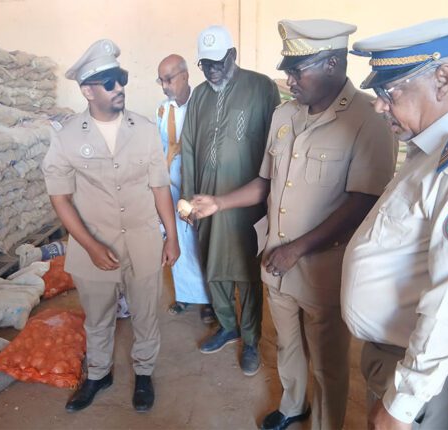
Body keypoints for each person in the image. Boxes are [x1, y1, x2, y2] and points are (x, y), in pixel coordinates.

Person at [191, 19, 397, 430]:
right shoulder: (285, 114)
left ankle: (324, 423)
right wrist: (219, 202)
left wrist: (296, 249)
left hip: (323, 270)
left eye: (298, 71)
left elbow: (363, 202)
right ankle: (292, 405)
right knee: (287, 344)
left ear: (333, 64)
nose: (289, 80)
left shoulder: (366, 119)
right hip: (276, 261)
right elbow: (265, 183)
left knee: (327, 361)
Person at [342, 15, 448, 429]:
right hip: (398, 356)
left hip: (428, 379)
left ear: (442, 79)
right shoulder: (440, 141)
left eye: (390, 91)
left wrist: (402, 405)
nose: (379, 104)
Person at [41, 39, 180, 413]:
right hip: (93, 244)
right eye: (108, 82)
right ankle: (99, 374)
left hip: (143, 241)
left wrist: (172, 237)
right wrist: (89, 245)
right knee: (98, 318)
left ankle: (144, 373)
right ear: (87, 91)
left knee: (145, 315)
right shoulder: (67, 136)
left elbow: (160, 187)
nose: (119, 87)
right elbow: (60, 198)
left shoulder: (145, 130)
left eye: (121, 79)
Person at [180, 24, 280, 376]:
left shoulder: (261, 87)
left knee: (246, 272)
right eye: (205, 64)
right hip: (205, 197)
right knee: (213, 264)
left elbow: (275, 145)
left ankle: (251, 340)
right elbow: (188, 146)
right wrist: (187, 197)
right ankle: (227, 326)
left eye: (218, 63)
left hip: (245, 201)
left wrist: (271, 197)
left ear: (233, 56)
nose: (212, 71)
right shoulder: (199, 96)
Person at [155, 54, 215, 324]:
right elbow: (160, 149)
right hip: (172, 185)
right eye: (161, 80)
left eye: (169, 79)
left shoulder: (203, 105)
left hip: (199, 184)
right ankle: (185, 295)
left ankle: (209, 299)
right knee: (176, 236)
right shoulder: (163, 110)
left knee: (201, 241)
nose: (165, 86)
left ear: (186, 75)